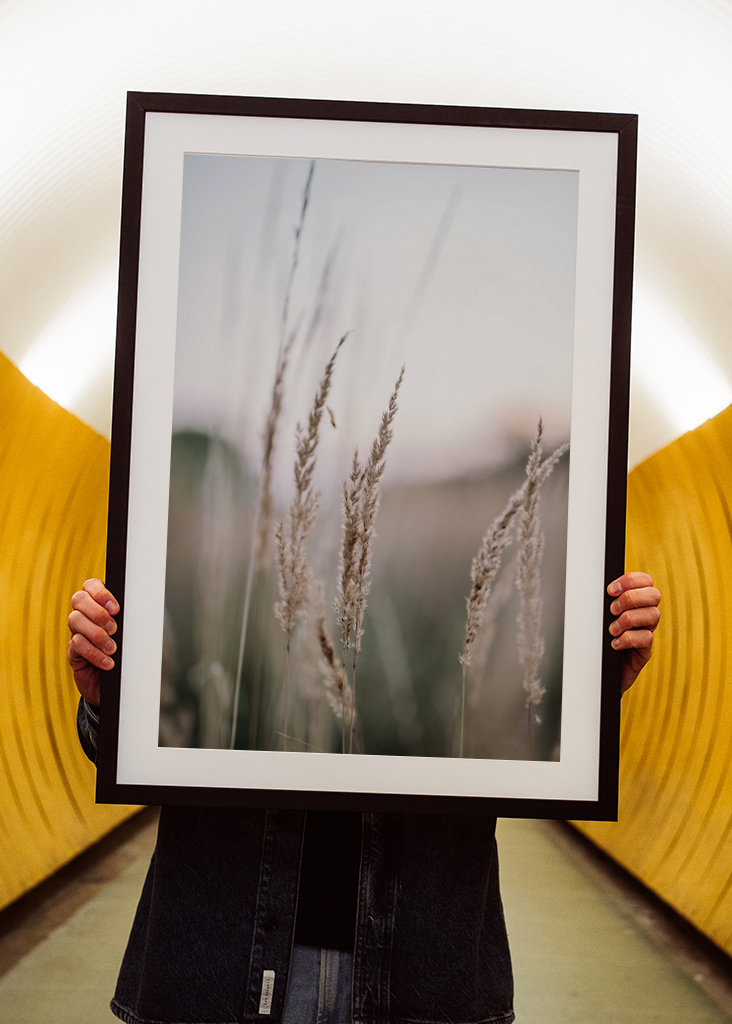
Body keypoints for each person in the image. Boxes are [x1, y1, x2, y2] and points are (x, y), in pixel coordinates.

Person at [68, 571, 661, 1024]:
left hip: (422, 967)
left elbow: (523, 740)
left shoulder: (444, 621)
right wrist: (108, 701)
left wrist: (590, 693)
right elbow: (146, 742)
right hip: (221, 960)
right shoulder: (222, 598)